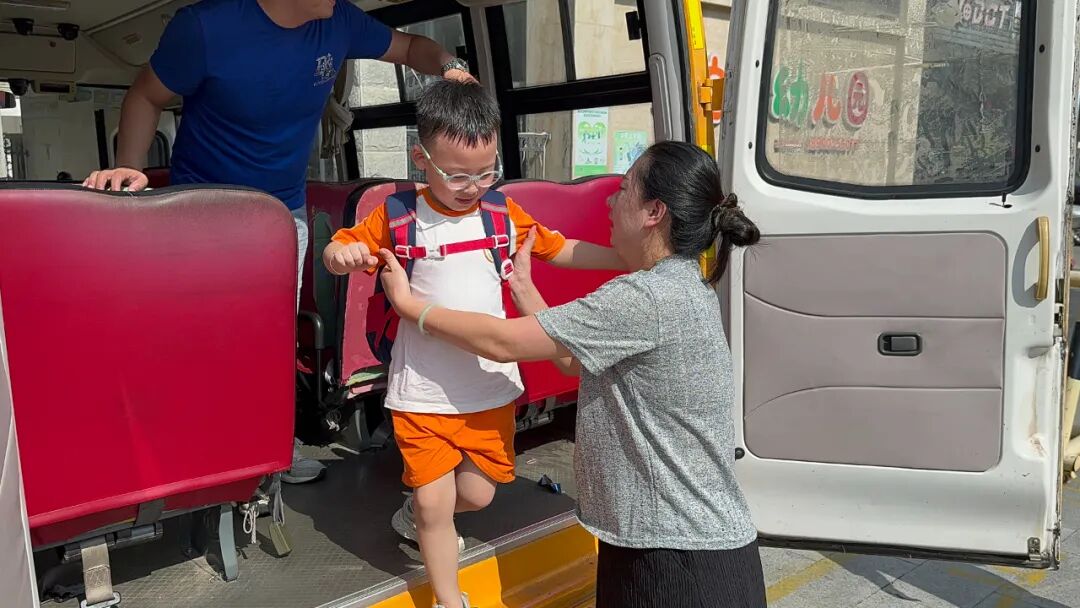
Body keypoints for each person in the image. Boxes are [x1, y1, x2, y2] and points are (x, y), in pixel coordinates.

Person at [82, 0, 475, 484]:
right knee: (196, 339)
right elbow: (145, 95)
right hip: (199, 212)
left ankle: (267, 453)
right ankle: (185, 459)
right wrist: (131, 168)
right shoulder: (207, 27)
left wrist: (453, 69)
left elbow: (413, 47)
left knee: (270, 342)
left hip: (281, 216)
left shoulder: (338, 21)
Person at [373, 140, 768, 607]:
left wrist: (410, 307)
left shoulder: (644, 300)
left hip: (675, 564)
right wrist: (524, 290)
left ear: (653, 212)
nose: (608, 200)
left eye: (623, 190)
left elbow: (501, 342)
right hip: (676, 547)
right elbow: (572, 360)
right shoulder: (681, 287)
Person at [322, 80, 625, 608]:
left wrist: (626, 258)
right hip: (421, 392)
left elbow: (561, 249)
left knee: (477, 494)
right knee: (436, 506)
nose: (473, 185)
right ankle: (448, 596)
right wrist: (339, 256)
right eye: (458, 175)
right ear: (422, 159)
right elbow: (340, 247)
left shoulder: (502, 215)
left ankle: (413, 516)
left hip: (487, 388)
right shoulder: (397, 216)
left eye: (486, 172)